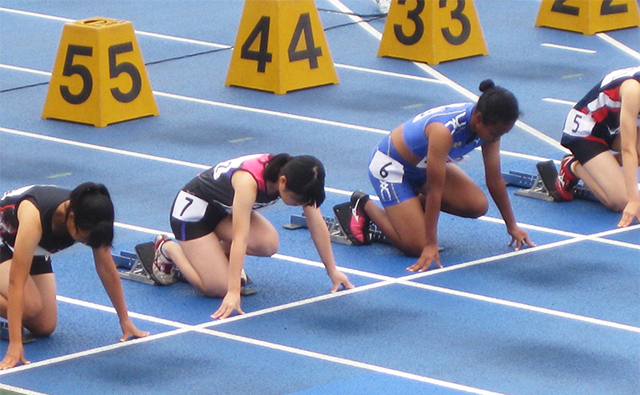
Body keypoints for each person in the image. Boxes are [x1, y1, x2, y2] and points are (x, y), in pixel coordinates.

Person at [335, 79, 534, 272]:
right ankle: (364, 205)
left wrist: (512, 226)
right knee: (416, 246)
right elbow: (434, 190)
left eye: (502, 134)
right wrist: (430, 243)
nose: (496, 138)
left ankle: (406, 210)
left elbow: (494, 179)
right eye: (495, 133)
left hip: (423, 166)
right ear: (479, 118)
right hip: (392, 168)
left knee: (477, 205)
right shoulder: (444, 131)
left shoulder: (490, 126)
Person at [151, 153, 353, 320]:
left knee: (268, 244)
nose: (297, 204)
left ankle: (210, 255)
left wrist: (332, 270)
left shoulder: (297, 176)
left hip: (223, 212)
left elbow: (316, 224)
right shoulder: (248, 182)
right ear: (283, 182)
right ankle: (168, 248)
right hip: (192, 216)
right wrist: (232, 292)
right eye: (296, 200)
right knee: (217, 288)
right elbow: (241, 238)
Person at [0, 183, 149, 370]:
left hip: (33, 248)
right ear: (71, 218)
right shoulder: (34, 216)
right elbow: (16, 281)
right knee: (30, 307)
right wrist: (15, 344)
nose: (86, 243)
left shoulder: (92, 216)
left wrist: (124, 319)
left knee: (45, 326)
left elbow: (107, 268)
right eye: (84, 239)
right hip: (5, 239)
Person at [555, 66, 640, 228]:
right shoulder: (633, 89)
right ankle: (574, 166)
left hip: (611, 127)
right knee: (622, 201)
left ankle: (601, 168)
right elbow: (628, 148)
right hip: (585, 131)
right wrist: (634, 200)